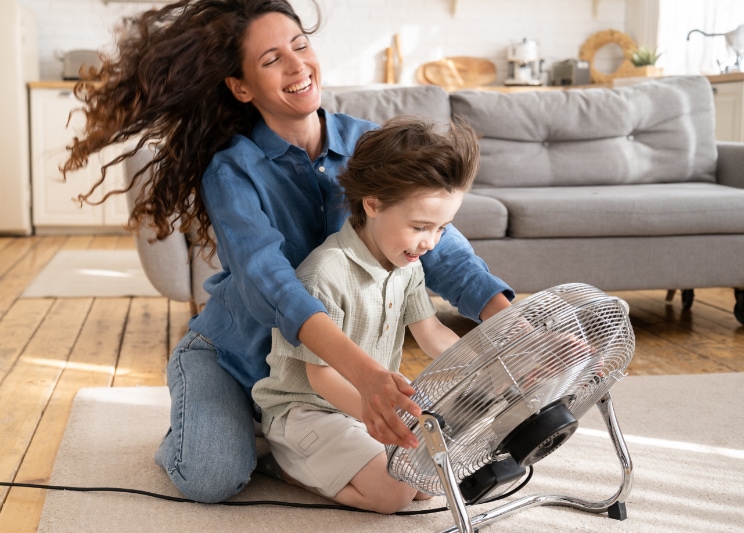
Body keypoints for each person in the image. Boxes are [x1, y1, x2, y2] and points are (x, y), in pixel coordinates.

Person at [64, 0, 513, 504]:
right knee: (213, 477)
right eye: (272, 58)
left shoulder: (365, 141)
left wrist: (515, 330)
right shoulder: (232, 168)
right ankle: (231, 428)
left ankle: (285, 447)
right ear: (240, 86)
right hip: (237, 358)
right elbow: (269, 280)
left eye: (300, 46)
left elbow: (440, 246)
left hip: (316, 382)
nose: (298, 65)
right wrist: (365, 377)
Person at [252, 115, 478, 514]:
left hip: (365, 405)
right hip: (306, 411)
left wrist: (484, 365)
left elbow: (431, 334)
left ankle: (351, 458)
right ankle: (285, 465)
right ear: (373, 204)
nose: (431, 242)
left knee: (429, 483)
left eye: (442, 228)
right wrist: (383, 420)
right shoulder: (325, 274)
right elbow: (320, 377)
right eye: (421, 226)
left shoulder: (407, 264)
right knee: (393, 494)